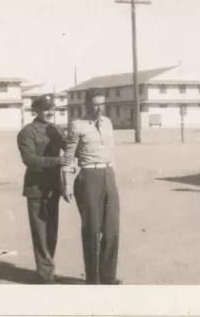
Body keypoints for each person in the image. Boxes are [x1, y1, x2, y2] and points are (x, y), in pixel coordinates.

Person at [60, 88, 122, 285]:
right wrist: (67, 185)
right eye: (95, 104)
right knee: (92, 231)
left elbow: (111, 152)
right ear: (86, 105)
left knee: (112, 230)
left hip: (108, 175)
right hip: (88, 177)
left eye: (102, 104)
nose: (99, 108)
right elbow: (68, 158)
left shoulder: (108, 123)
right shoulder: (77, 125)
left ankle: (108, 276)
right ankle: (93, 280)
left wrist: (113, 176)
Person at [16, 93, 65, 284]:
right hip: (36, 187)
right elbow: (30, 160)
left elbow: (69, 147)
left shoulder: (56, 130)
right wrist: (58, 161)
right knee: (40, 231)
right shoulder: (27, 132)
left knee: (52, 230)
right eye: (45, 109)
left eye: (52, 109)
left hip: (53, 186)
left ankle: (47, 271)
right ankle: (45, 275)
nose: (49, 112)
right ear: (36, 110)